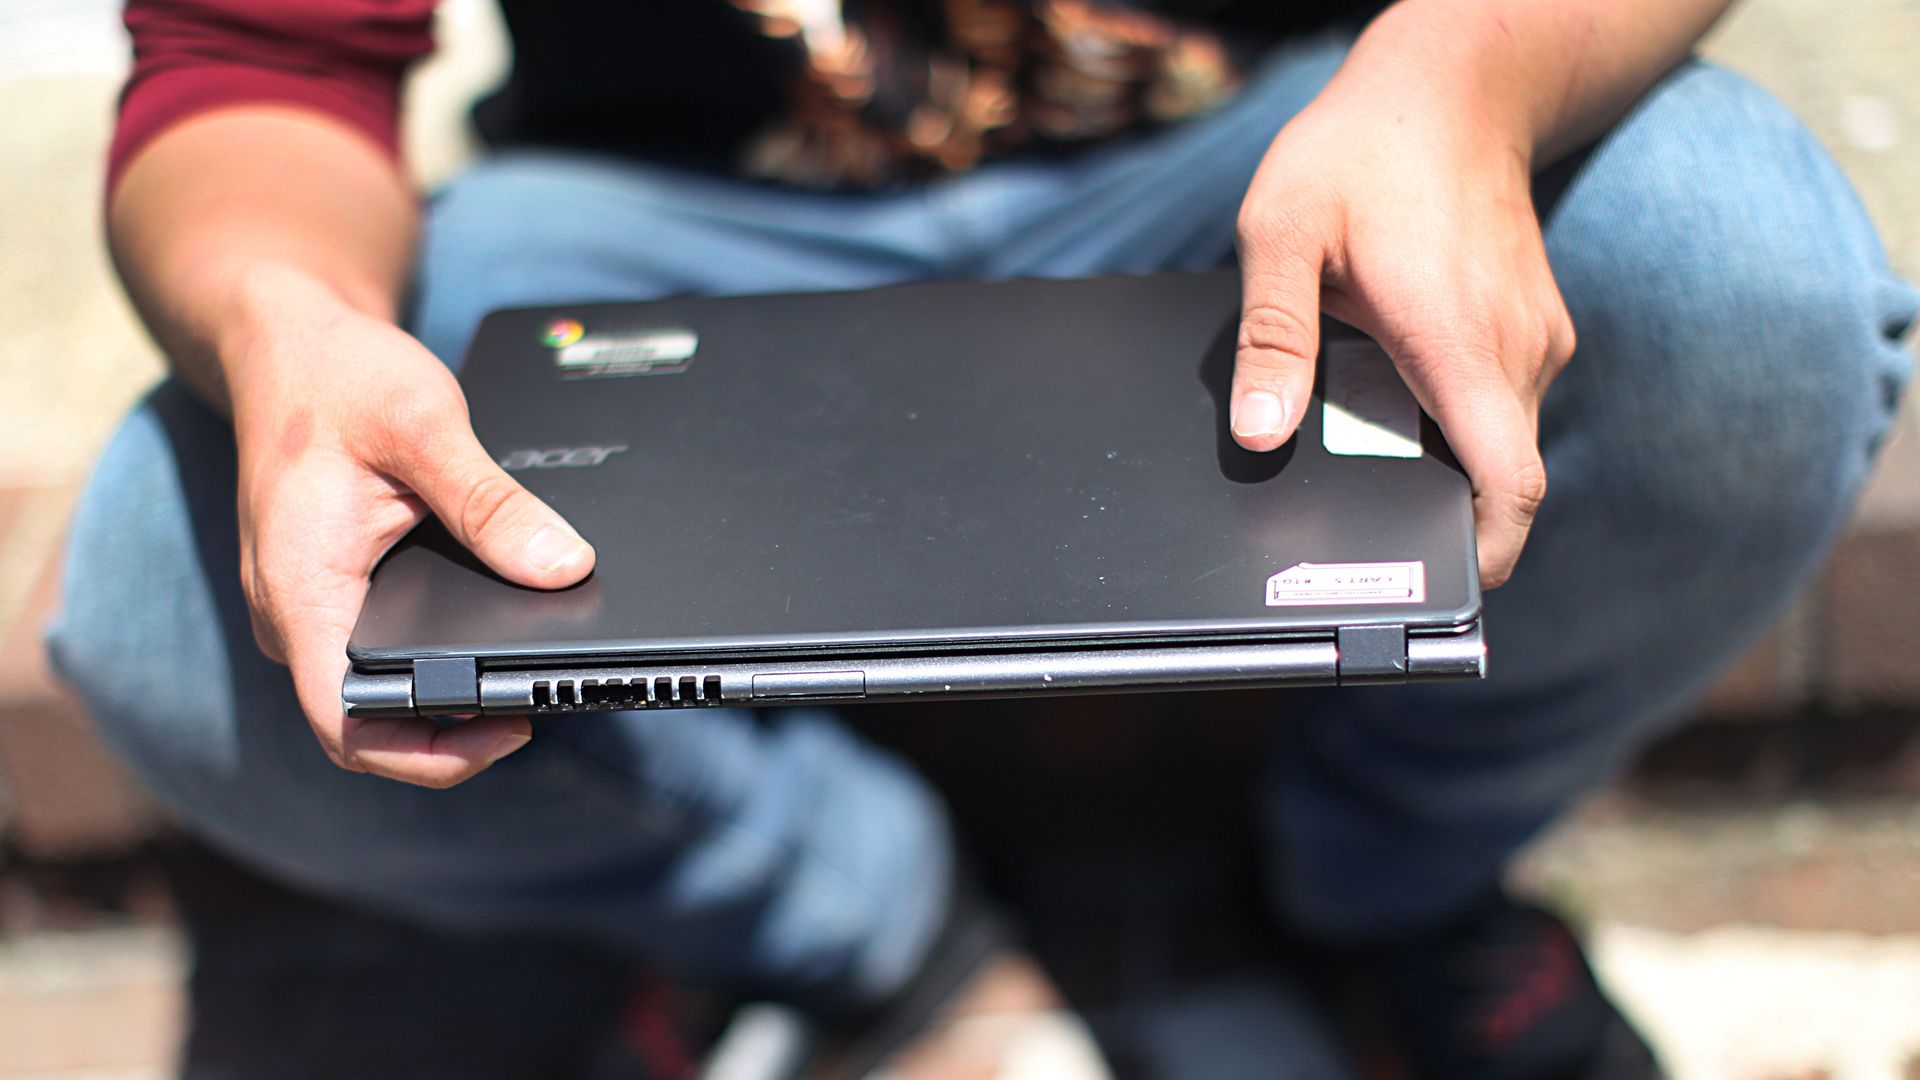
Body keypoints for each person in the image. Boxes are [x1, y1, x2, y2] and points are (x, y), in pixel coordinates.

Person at [50, 0, 1915, 1074]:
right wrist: (280, 311)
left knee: (1727, 271)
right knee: (169, 575)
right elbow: (255, 61)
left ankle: (1391, 889)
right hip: (674, 223)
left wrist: (1464, 90)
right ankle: (844, 922)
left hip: (1275, 143)